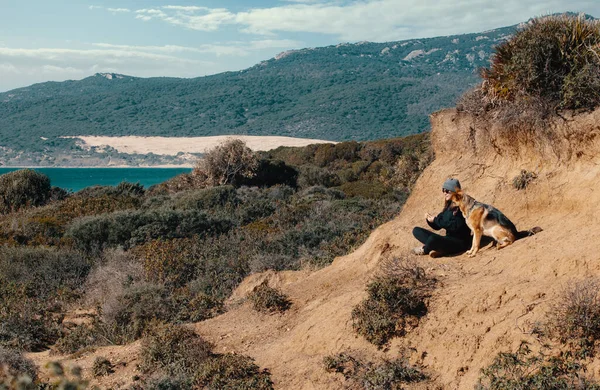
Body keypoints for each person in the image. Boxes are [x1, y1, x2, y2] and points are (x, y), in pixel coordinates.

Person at [412, 178, 471, 258]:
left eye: (447, 191)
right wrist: (430, 220)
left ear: (455, 192)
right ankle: (439, 249)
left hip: (459, 243)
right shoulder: (448, 206)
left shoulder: (462, 206)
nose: (444, 193)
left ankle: (426, 249)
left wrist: (436, 220)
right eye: (443, 190)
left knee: (433, 239)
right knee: (416, 230)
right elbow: (437, 226)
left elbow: (454, 226)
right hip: (448, 239)